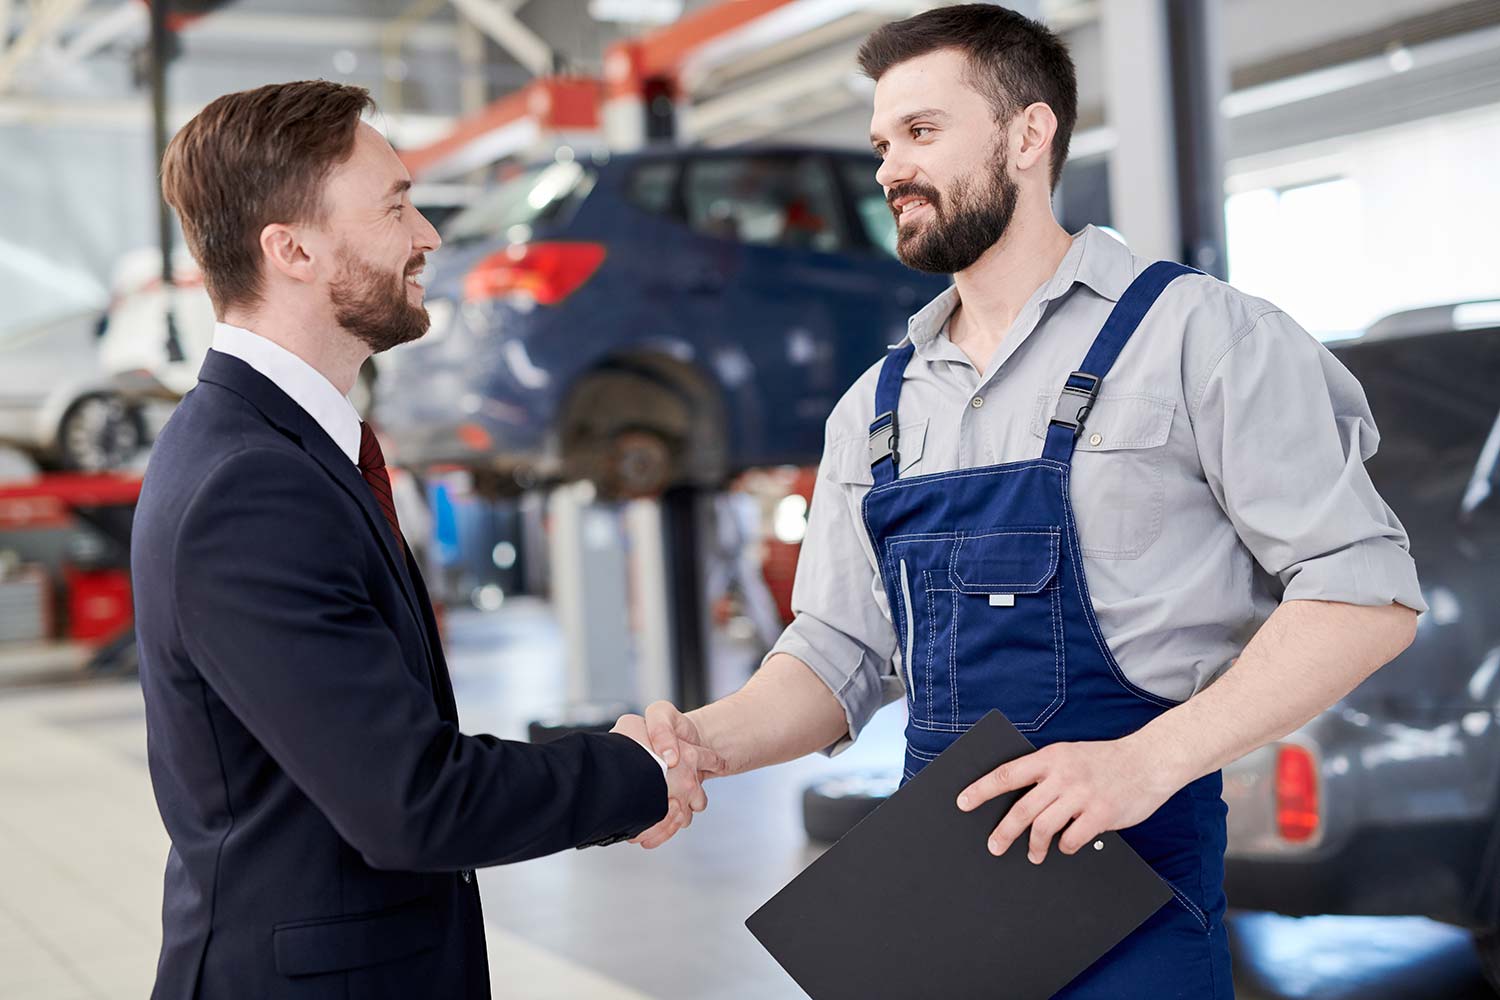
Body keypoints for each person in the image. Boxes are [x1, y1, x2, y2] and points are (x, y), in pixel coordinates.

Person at [633, 6, 1422, 995]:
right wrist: (699, 743)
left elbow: (1364, 595)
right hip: (945, 904)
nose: (889, 170)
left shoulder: (1199, 337)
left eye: (922, 132)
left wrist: (1144, 762)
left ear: (1028, 134)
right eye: (882, 143)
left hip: (1136, 891)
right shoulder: (873, 410)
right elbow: (835, 653)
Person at [133, 80, 718, 1000]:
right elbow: (412, 802)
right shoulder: (251, 484)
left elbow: (370, 738)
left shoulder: (277, 450)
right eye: (396, 206)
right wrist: (633, 773)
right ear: (290, 249)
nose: (429, 237)